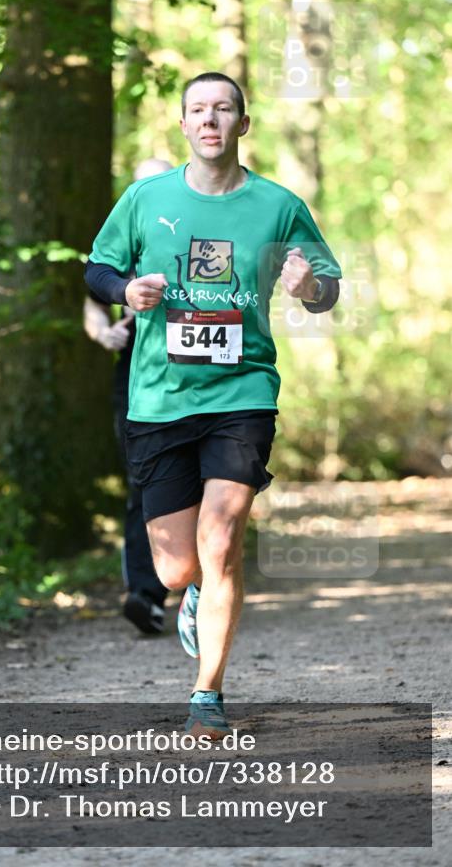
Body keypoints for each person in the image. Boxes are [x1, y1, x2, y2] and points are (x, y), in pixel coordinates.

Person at [84, 72, 342, 738]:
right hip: (159, 397)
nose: (210, 120)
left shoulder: (277, 205)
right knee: (174, 568)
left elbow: (327, 290)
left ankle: (207, 694)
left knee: (222, 537)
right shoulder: (145, 198)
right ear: (182, 124)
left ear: (241, 123)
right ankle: (194, 592)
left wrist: (308, 283)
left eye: (223, 109)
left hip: (242, 393)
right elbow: (97, 268)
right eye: (198, 109)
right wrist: (126, 292)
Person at [84, 158, 172, 635]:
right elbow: (93, 301)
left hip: (196, 373)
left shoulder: (193, 226)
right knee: (144, 477)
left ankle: (202, 585)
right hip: (136, 374)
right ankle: (146, 594)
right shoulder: (122, 235)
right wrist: (105, 335)